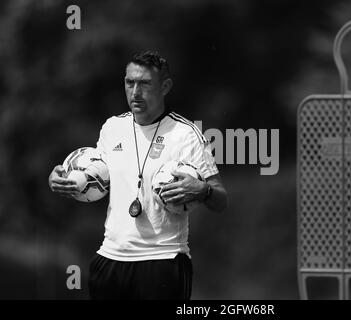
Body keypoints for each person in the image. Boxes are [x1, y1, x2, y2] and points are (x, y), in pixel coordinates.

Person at [48, 51, 227, 300]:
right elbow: (92, 175)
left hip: (163, 261)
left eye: (144, 84)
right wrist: (59, 179)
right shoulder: (112, 128)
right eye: (129, 82)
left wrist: (203, 190)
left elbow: (221, 199)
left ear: (165, 87)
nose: (135, 92)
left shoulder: (186, 134)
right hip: (109, 259)